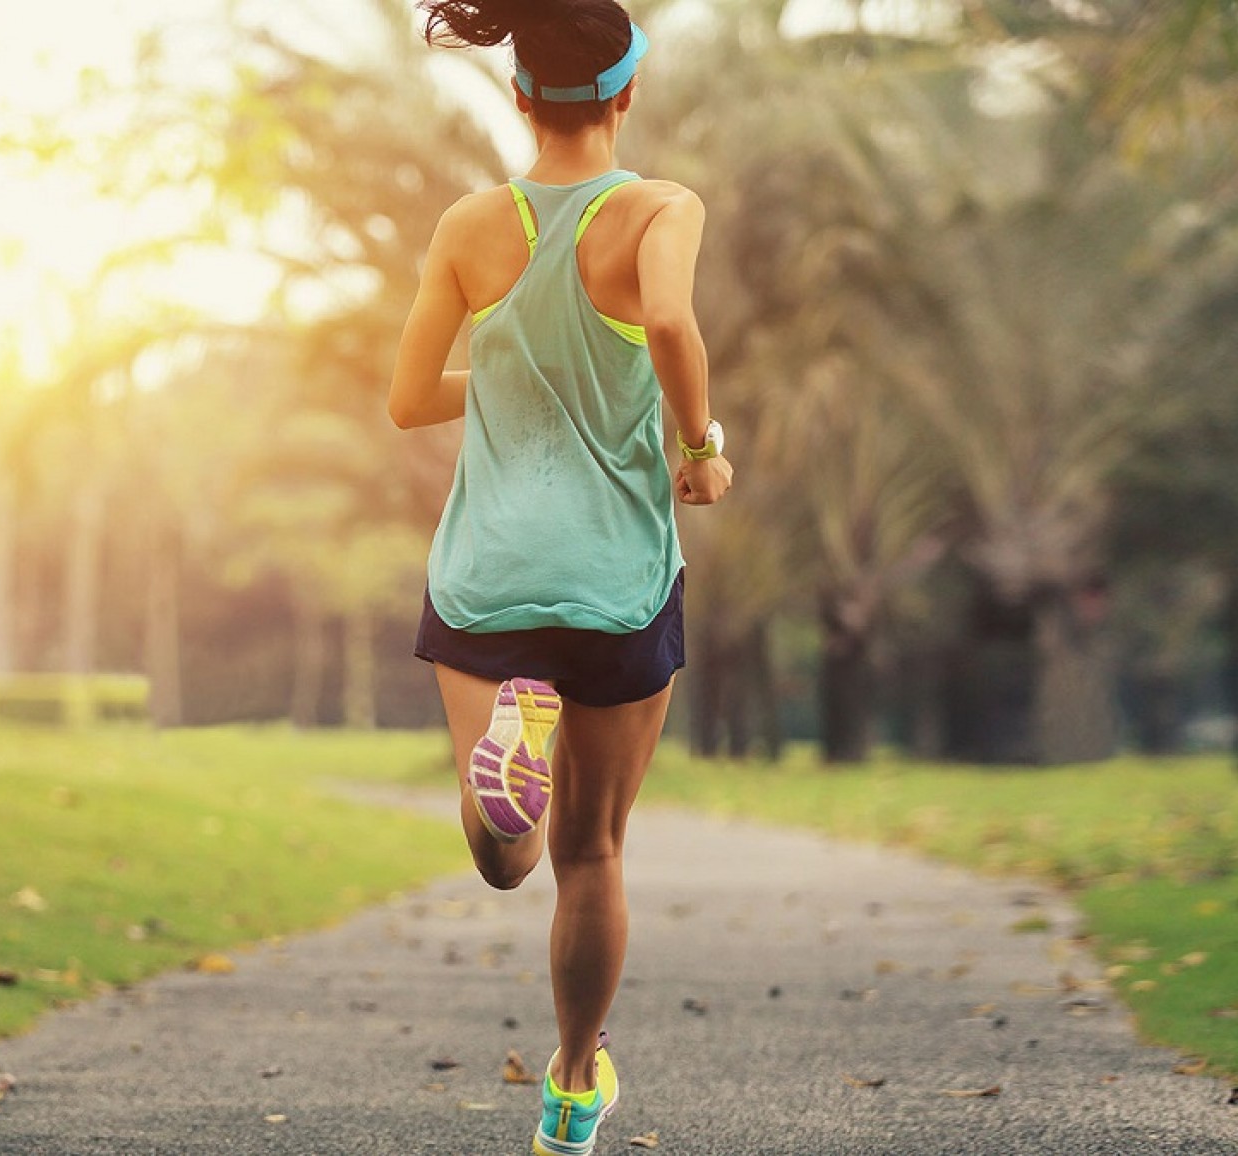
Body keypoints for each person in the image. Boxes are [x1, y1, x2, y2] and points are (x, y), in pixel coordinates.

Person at [387, 1, 732, 1152]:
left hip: (489, 570)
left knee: (508, 860)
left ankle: (508, 762)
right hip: (615, 578)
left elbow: (404, 399)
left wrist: (507, 366)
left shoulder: (469, 225)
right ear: (625, 95)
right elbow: (673, 322)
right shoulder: (659, 209)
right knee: (593, 853)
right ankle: (575, 1086)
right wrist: (700, 448)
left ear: (521, 96)